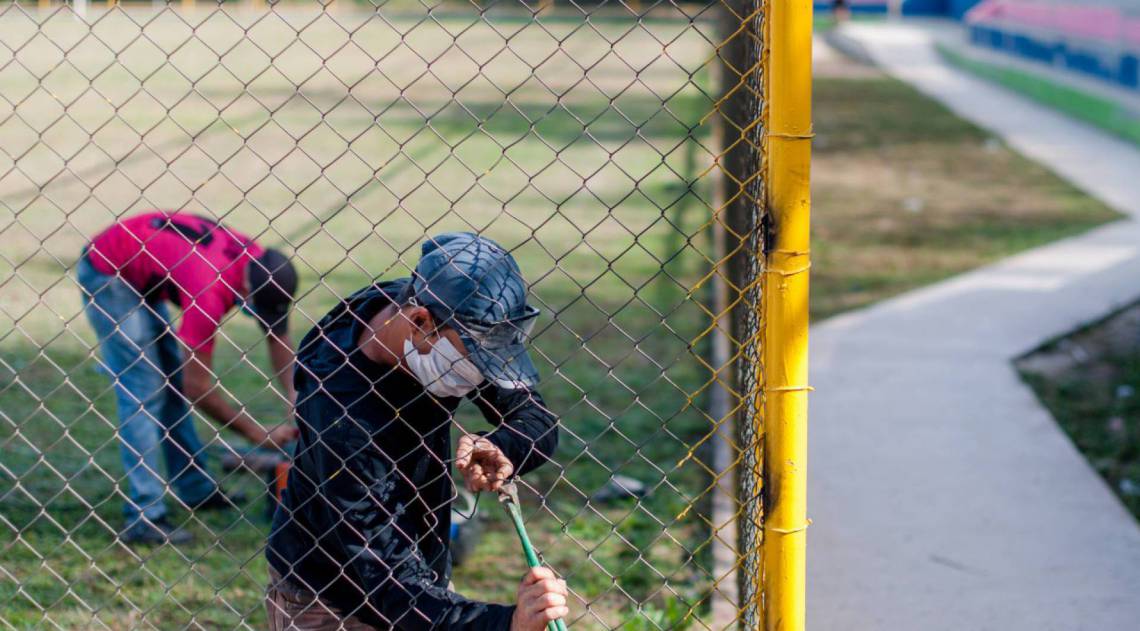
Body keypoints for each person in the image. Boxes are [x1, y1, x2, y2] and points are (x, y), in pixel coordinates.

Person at [266, 232, 568, 630]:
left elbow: (536, 418)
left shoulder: (431, 313)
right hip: (335, 598)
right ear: (420, 322)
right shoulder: (344, 420)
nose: (480, 376)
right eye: (474, 358)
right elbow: (388, 583)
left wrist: (505, 445)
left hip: (419, 573)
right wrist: (507, 625)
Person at [77, 211, 300, 546]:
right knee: (145, 390)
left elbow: (277, 335)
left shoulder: (258, 261)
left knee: (168, 386)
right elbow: (195, 387)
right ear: (245, 289)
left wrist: (297, 398)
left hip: (144, 267)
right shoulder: (209, 291)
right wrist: (255, 432)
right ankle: (144, 515)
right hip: (109, 271)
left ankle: (195, 488)